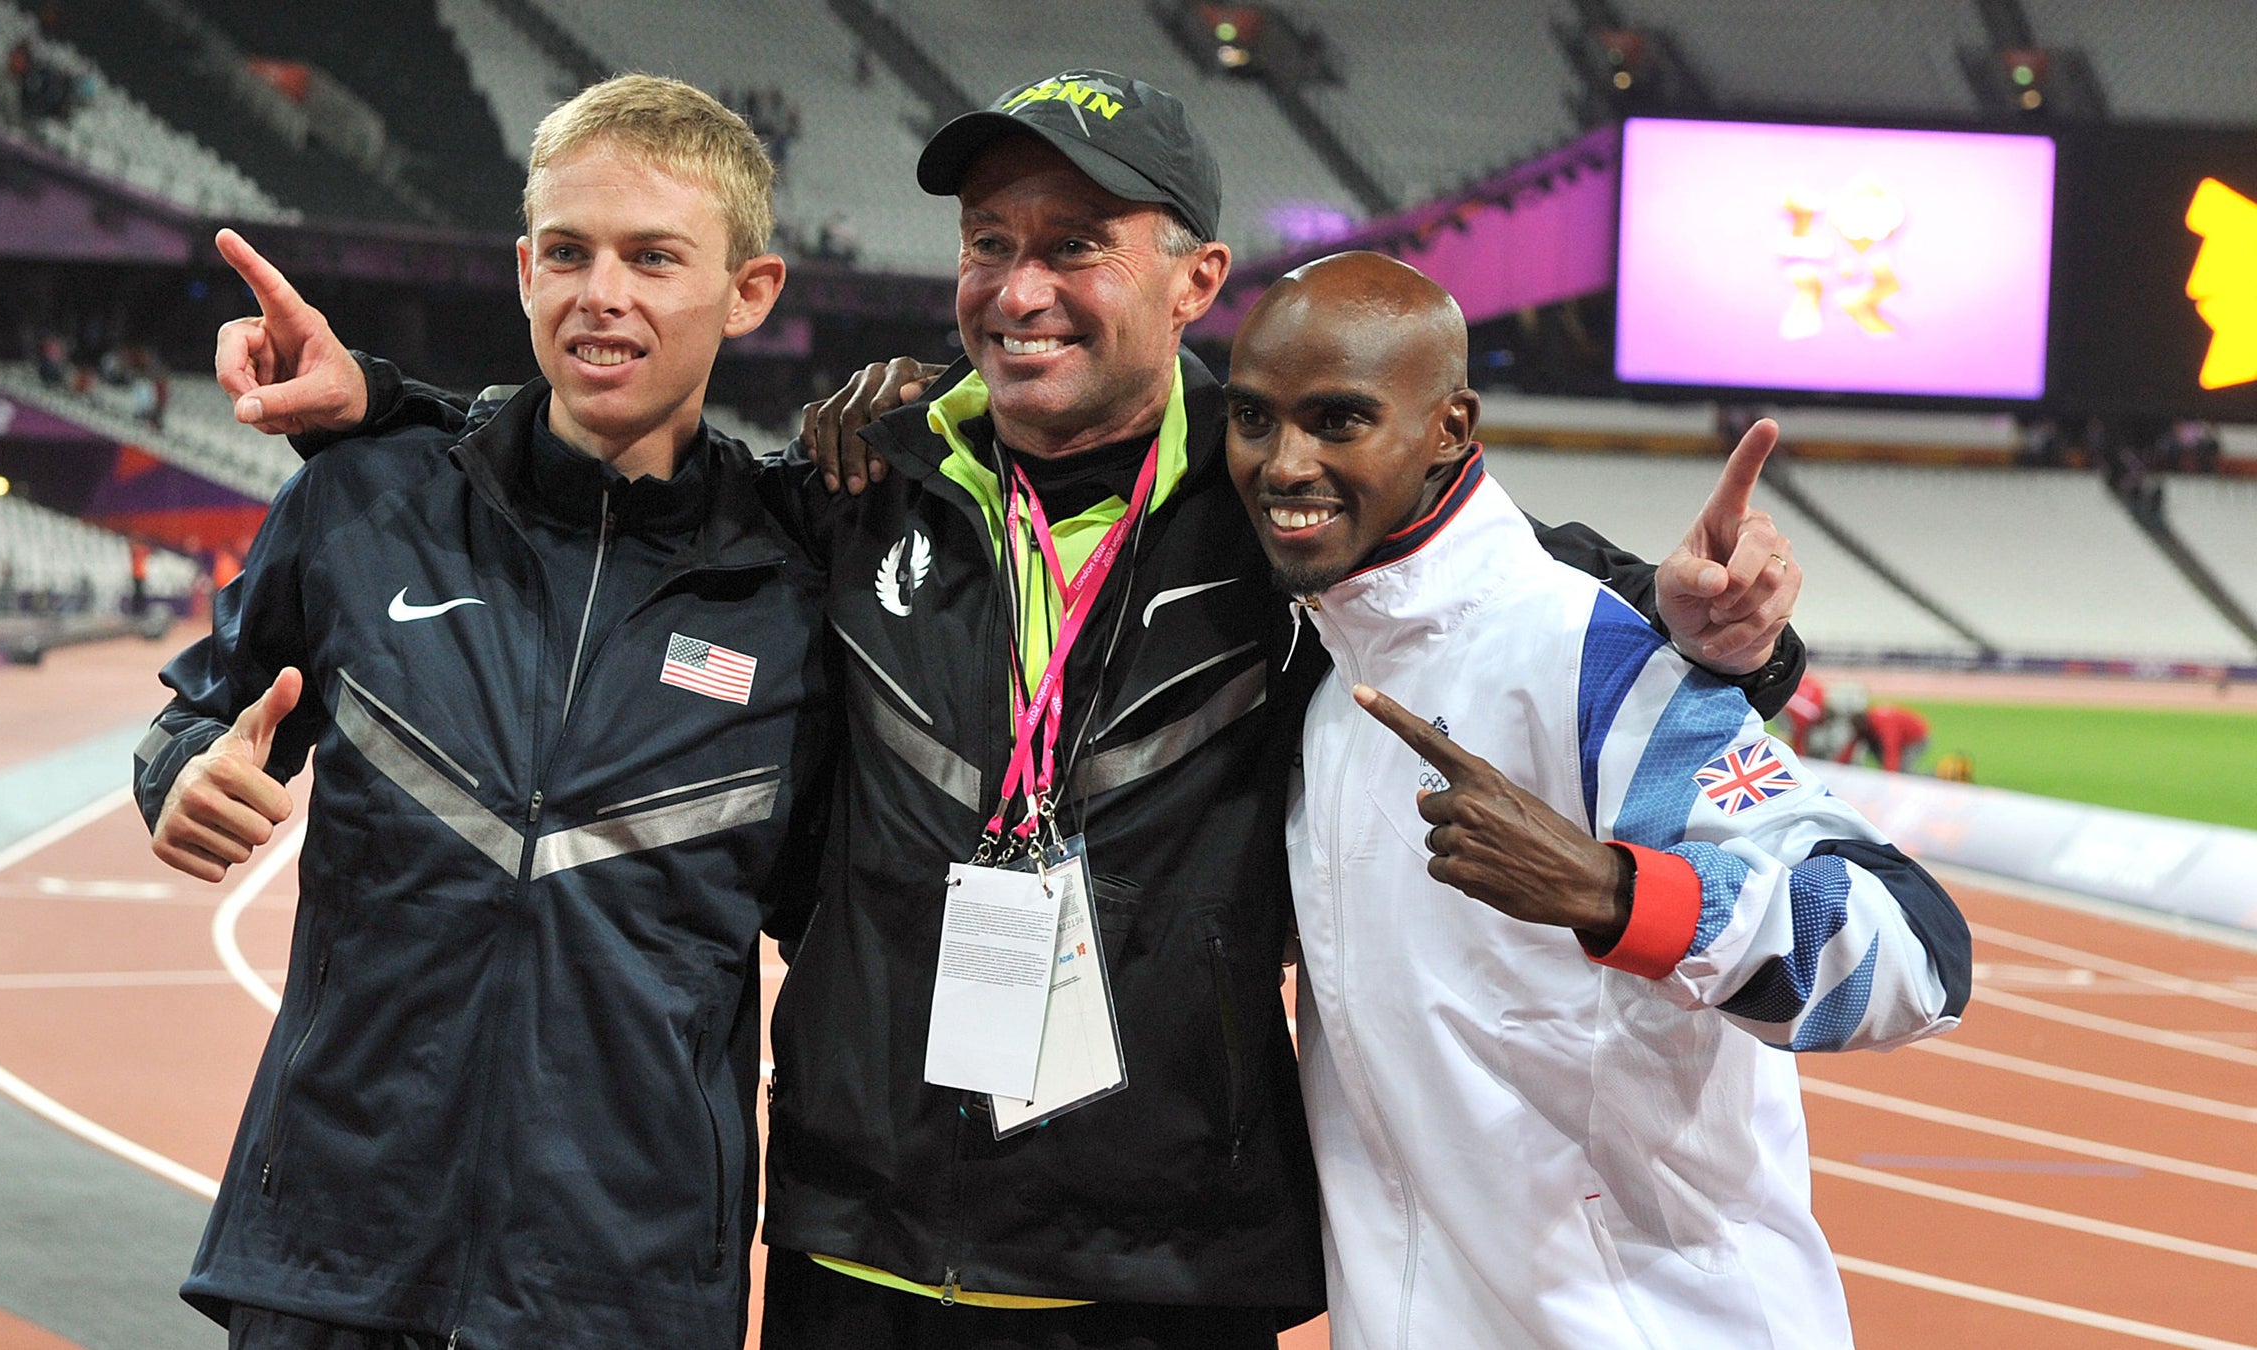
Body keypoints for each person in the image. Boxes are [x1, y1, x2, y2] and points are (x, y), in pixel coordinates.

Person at [213, 69, 1810, 1348]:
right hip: (863, 1242)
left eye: (1074, 245)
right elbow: (626, 471)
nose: (1021, 285)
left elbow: (1521, 603)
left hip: (1162, 1266)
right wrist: (389, 401)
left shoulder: (1286, 524)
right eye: (992, 242)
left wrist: (1727, 639)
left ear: (1195, 279)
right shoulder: (862, 485)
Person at [134, 76, 833, 1348]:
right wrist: (179, 777)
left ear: (750, 292)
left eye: (653, 257)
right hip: (331, 1254)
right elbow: (196, 713)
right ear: (522, 271)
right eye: (567, 252)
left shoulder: (800, 592)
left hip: (626, 1283)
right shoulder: (366, 502)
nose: (599, 293)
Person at [1222, 251, 1968, 1347]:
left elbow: (1914, 955)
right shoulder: (1332, 673)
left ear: (1448, 428)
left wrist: (1621, 895)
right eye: (1253, 418)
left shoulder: (1586, 653)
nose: (1286, 462)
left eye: (1339, 420)